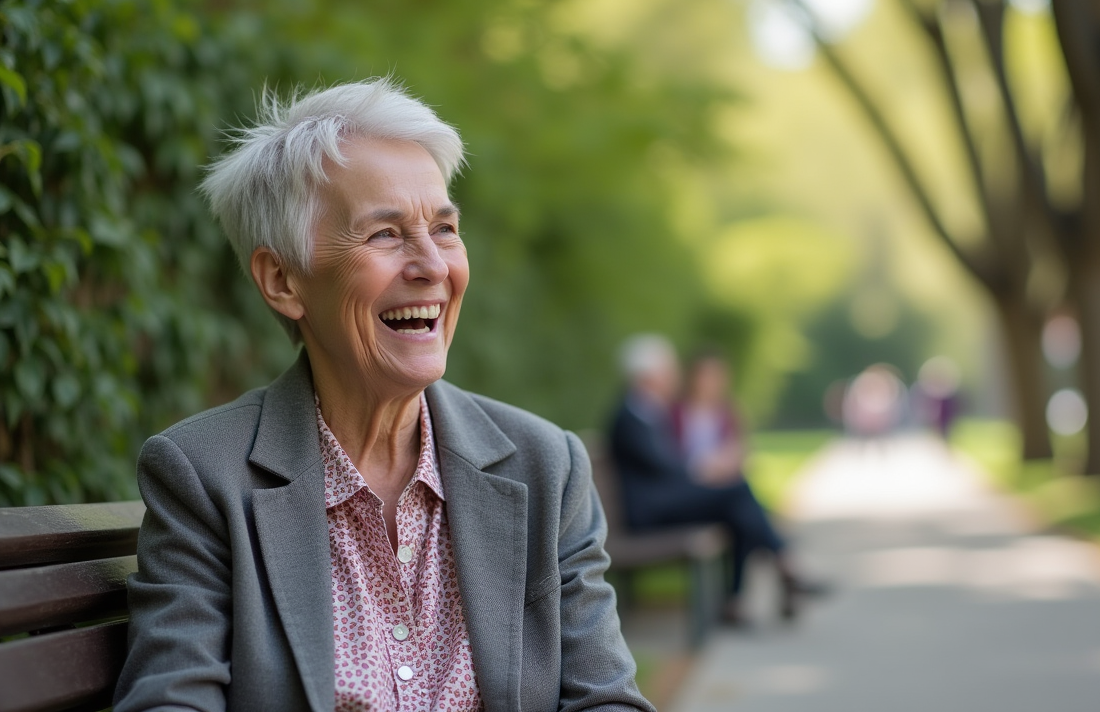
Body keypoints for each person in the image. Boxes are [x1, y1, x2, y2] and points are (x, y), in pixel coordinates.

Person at [113, 79, 651, 712]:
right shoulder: (205, 477)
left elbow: (605, 699)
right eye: (385, 235)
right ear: (282, 279)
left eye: (444, 229)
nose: (434, 266)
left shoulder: (546, 468)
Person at [607, 335, 808, 622]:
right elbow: (666, 467)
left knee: (737, 508)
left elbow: (667, 466)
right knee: (736, 491)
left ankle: (739, 598)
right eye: (667, 371)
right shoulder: (631, 416)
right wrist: (705, 469)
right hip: (649, 514)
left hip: (664, 502)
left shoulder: (647, 411)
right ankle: (784, 560)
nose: (673, 376)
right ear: (648, 376)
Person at [670, 349, 745, 488]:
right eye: (705, 375)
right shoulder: (675, 412)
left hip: (721, 479)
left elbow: (738, 449)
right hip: (685, 480)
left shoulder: (729, 413)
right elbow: (669, 454)